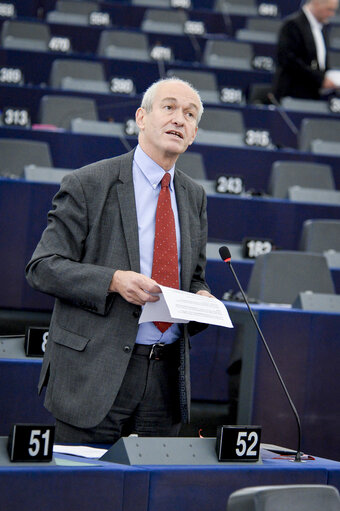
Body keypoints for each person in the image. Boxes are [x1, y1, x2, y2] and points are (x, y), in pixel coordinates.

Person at [26, 77, 213, 444]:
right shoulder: (88, 183)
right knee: (82, 495)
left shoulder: (194, 197)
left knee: (148, 498)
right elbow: (43, 267)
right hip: (94, 372)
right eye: (169, 107)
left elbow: (194, 277)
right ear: (141, 118)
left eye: (190, 115)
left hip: (165, 378)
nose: (179, 119)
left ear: (193, 134)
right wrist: (112, 280)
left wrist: (201, 296)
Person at [272, 0, 339, 100]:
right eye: (329, 9)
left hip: (313, 95)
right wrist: (320, 80)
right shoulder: (292, 25)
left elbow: (320, 60)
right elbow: (289, 60)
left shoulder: (322, 28)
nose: (331, 14)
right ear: (317, 3)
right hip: (292, 95)